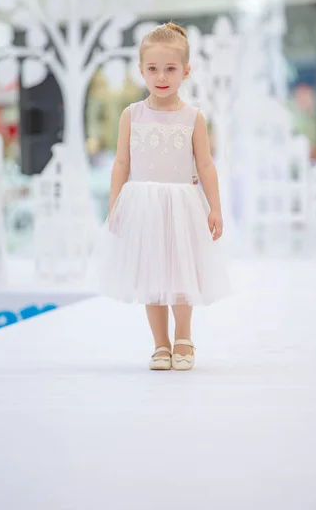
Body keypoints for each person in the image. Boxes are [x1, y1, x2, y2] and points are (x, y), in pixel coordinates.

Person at [90, 23, 230, 371]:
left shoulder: (193, 117)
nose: (161, 76)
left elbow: (207, 166)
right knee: (152, 275)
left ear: (186, 71)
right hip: (144, 206)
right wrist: (115, 206)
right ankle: (160, 344)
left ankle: (184, 336)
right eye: (152, 68)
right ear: (141, 71)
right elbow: (121, 163)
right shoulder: (131, 115)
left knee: (182, 273)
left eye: (170, 68)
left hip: (182, 207)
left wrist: (215, 208)